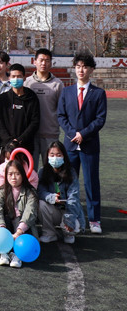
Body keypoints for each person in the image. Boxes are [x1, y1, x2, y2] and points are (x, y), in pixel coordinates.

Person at [57, 51, 106, 234]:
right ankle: (69, 217)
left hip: (89, 144)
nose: (81, 70)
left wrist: (83, 135)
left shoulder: (98, 93)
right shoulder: (66, 91)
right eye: (78, 66)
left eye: (85, 67)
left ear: (91, 69)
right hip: (70, 144)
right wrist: (73, 134)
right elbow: (61, 116)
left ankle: (94, 219)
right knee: (68, 182)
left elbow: (100, 119)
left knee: (91, 182)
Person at [0, 160, 38, 268]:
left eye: (17, 174)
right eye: (10, 174)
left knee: (24, 229)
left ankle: (18, 255)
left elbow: (30, 212)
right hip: (8, 222)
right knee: (2, 223)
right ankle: (4, 252)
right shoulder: (2, 190)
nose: (13, 177)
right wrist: (2, 228)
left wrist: (19, 231)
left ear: (23, 175)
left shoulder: (30, 192)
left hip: (23, 224)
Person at [37, 141, 84, 244]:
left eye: (58, 155)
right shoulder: (43, 171)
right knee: (40, 204)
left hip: (68, 209)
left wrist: (69, 219)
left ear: (64, 156)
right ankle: (49, 233)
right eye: (52, 155)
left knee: (74, 226)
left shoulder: (71, 172)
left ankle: (68, 234)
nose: (55, 158)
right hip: (53, 209)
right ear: (47, 156)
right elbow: (40, 192)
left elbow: (74, 197)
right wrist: (52, 198)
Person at [24, 48, 64, 164]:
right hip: (30, 134)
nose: (43, 63)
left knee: (51, 168)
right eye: (41, 60)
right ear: (34, 61)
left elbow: (61, 109)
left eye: (47, 60)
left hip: (50, 134)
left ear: (51, 63)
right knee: (31, 168)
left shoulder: (58, 84)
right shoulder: (28, 83)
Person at [0, 63, 40, 161]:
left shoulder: (32, 97)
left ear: (24, 78)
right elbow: (0, 122)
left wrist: (20, 140)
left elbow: (35, 122)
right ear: (9, 78)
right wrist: (10, 141)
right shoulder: (3, 98)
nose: (16, 79)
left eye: (19, 76)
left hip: (26, 146)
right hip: (7, 147)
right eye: (13, 76)